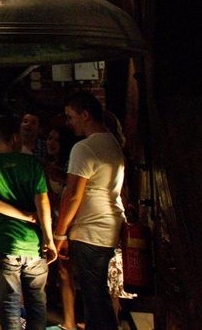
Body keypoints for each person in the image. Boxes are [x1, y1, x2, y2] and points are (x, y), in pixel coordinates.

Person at [0, 113, 57, 330]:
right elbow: (43, 203)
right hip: (35, 243)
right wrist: (49, 240)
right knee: (37, 303)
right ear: (14, 137)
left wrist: (23, 215)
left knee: (10, 303)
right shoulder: (33, 164)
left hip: (5, 242)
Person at [55, 92, 125, 330]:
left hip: (90, 231)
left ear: (85, 115)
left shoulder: (84, 148)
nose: (68, 122)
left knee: (95, 299)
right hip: (110, 226)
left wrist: (60, 234)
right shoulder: (112, 141)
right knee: (98, 298)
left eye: (70, 116)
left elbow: (74, 194)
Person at [44, 124, 78, 330]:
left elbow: (65, 200)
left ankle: (69, 322)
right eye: (48, 139)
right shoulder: (49, 164)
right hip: (51, 225)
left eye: (56, 140)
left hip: (66, 228)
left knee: (66, 273)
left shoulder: (68, 169)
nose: (51, 143)